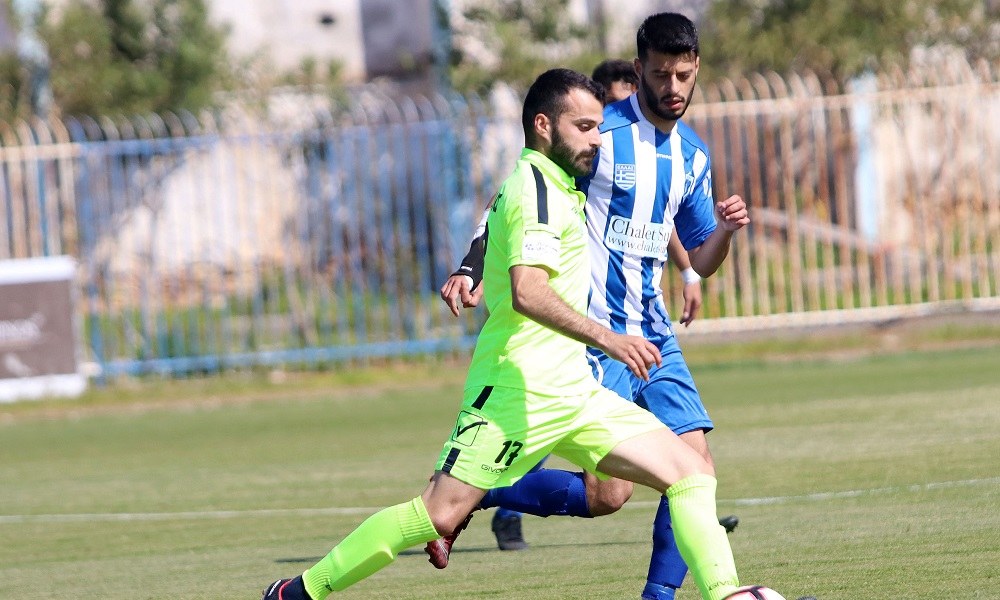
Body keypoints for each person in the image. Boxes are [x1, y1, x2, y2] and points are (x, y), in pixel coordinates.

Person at [261, 67, 747, 600]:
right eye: (585, 127)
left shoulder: (558, 183)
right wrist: (609, 339)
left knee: (690, 472)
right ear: (544, 125)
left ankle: (727, 593)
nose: (597, 139)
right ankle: (299, 591)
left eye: (598, 126)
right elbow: (527, 292)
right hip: (513, 391)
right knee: (436, 514)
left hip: (574, 390)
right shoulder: (535, 189)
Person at [433, 13, 747, 600]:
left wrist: (725, 232)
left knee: (695, 468)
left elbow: (702, 259)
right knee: (609, 495)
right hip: (595, 336)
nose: (673, 87)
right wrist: (472, 264)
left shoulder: (694, 156)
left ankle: (659, 595)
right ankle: (480, 490)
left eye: (683, 76)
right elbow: (516, 198)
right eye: (661, 74)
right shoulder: (602, 135)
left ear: (697, 69)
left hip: (653, 331)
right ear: (640, 69)